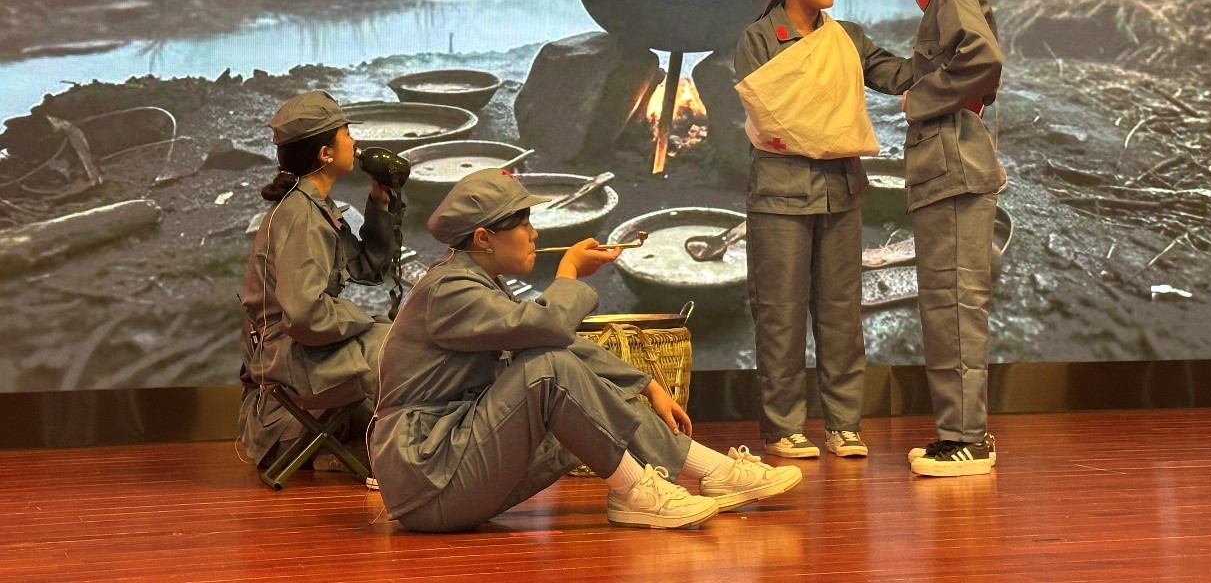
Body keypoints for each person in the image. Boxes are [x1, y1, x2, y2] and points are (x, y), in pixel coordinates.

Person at [368, 168, 803, 532]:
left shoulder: (476, 283)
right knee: (548, 370)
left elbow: (559, 340)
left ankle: (711, 474)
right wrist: (569, 274)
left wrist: (646, 384)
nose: (535, 233)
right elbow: (550, 330)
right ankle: (636, 490)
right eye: (524, 224)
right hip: (427, 477)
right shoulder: (449, 290)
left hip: (447, 464)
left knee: (578, 386)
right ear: (484, 238)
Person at [734, 0, 912, 460]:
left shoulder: (847, 38)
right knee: (780, 312)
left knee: (841, 312)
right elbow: (776, 115)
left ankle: (843, 424)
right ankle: (783, 428)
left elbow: (893, 73)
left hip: (841, 191)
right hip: (780, 196)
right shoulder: (759, 39)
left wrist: (945, 61)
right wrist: (830, 126)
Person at [893, 0, 1005, 478]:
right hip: (950, 161)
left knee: (953, 302)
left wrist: (921, 98)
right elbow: (979, 69)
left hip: (954, 165)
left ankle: (967, 441)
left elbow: (983, 59)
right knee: (946, 300)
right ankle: (959, 434)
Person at [238, 90, 396, 472]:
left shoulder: (314, 207)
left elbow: (368, 267)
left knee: (400, 340)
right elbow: (306, 315)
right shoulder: (302, 218)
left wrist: (380, 203)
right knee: (404, 349)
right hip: (289, 364)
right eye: (347, 134)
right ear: (326, 153)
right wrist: (366, 322)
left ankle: (371, 451)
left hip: (302, 351)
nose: (354, 143)